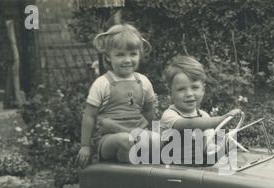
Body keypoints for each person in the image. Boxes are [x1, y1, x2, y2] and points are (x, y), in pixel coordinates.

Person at [77, 24, 158, 168]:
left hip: (138, 134)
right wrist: (85, 146)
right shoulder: (103, 83)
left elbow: (149, 112)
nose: (127, 60)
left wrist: (157, 136)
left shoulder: (143, 82)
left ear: (139, 54)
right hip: (109, 139)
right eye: (120, 55)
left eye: (133, 54)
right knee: (126, 141)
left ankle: (148, 177)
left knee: (158, 140)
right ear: (108, 57)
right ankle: (127, 176)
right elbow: (89, 115)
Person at [160, 55, 242, 162]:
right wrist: (220, 119)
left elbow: (207, 144)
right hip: (172, 167)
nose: (189, 94)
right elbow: (189, 124)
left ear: (203, 89)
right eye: (181, 89)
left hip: (195, 166)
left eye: (194, 87)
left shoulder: (203, 116)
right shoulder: (169, 115)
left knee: (227, 144)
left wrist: (220, 147)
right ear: (170, 93)